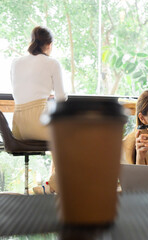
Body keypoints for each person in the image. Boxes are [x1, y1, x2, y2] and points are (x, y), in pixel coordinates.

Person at [11, 26, 67, 193]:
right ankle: (54, 186)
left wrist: (42, 96)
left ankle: (50, 186)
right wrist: (47, 96)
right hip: (38, 125)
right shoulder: (52, 63)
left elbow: (20, 93)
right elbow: (62, 98)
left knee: (59, 136)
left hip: (18, 129)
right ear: (49, 44)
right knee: (72, 135)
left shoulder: (15, 62)